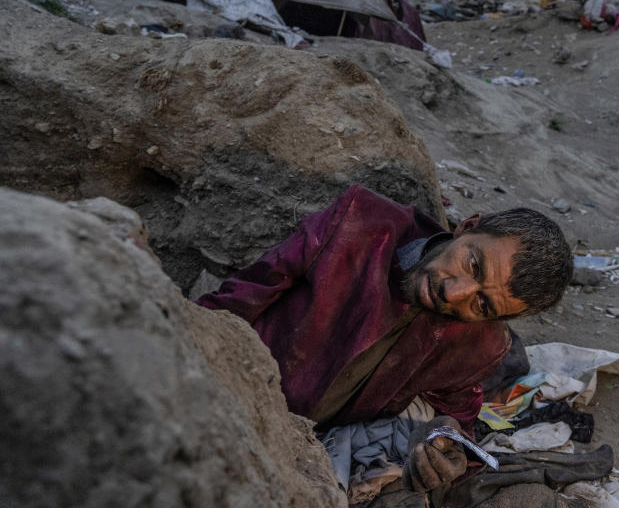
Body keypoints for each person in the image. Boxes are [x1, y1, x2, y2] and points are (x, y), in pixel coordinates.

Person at [197, 184, 572, 493]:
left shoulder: (481, 345)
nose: (455, 293)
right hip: (231, 390)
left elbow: (457, 424)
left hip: (301, 446)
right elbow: (242, 296)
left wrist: (443, 443)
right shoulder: (361, 222)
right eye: (473, 264)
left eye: (483, 304)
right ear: (468, 226)